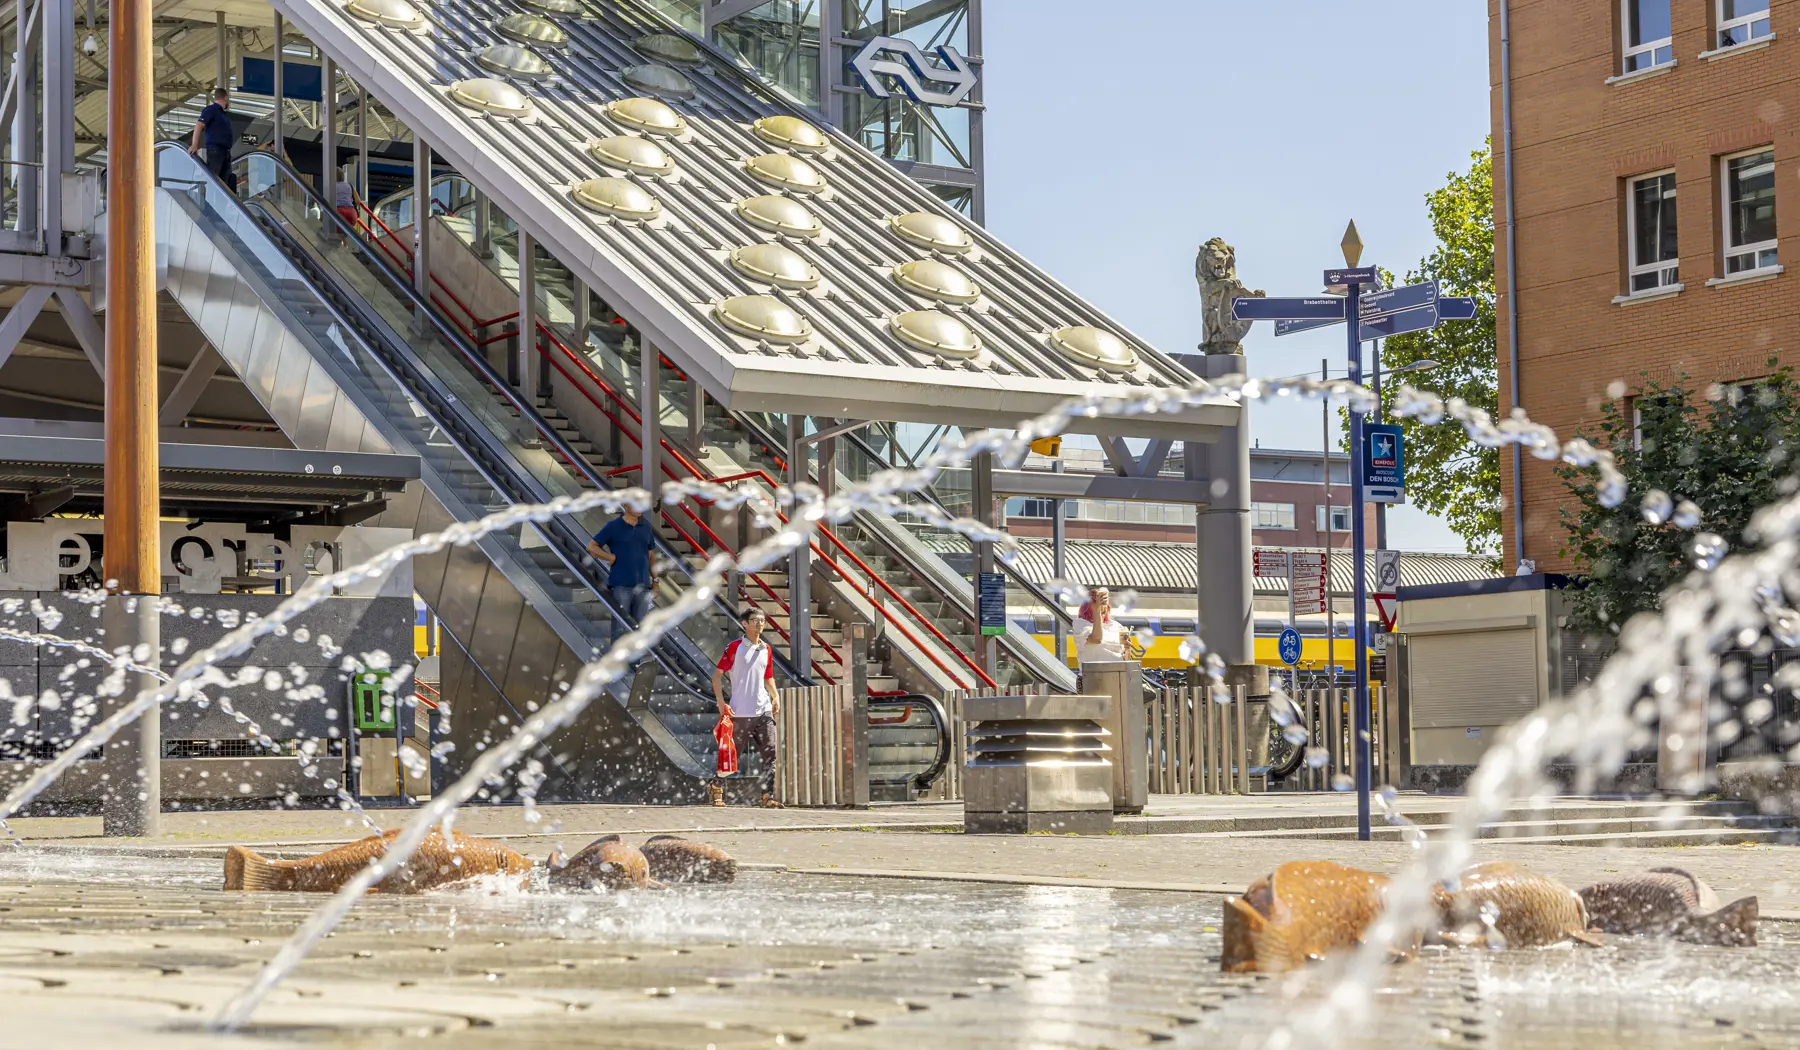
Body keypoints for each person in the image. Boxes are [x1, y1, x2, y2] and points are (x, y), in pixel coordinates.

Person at [710, 608, 781, 808]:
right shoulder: (734, 647)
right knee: (731, 754)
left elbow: (768, 677)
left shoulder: (766, 649)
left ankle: (768, 795)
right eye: (755, 620)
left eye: (762, 620)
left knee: (771, 752)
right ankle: (716, 787)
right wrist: (721, 703)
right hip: (739, 711)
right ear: (745, 624)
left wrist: (775, 696)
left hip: (763, 710)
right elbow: (716, 676)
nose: (759, 624)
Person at [587, 507, 658, 643]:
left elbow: (651, 556)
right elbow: (591, 546)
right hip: (621, 586)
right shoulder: (613, 526)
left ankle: (635, 663)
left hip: (644, 587)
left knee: (640, 631)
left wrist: (656, 581)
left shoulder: (645, 528)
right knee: (620, 629)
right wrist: (609, 557)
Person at [188, 87, 237, 193]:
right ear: (225, 98)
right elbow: (199, 124)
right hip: (216, 150)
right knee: (215, 179)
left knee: (224, 182)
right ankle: (211, 203)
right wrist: (194, 144)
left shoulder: (223, 114)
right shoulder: (212, 110)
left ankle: (221, 205)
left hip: (225, 152)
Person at [1072, 586, 1128, 667]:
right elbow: (1096, 639)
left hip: (1116, 674)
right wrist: (1098, 610)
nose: (1101, 604)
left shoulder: (1117, 626)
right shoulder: (1080, 624)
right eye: (1096, 600)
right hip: (1092, 675)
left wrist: (1127, 648)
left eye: (1103, 600)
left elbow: (1125, 659)